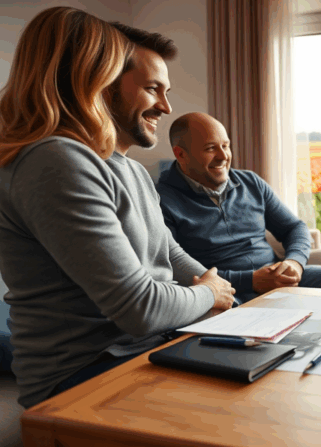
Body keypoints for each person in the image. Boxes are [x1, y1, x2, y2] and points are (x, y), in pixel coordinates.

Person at [0, 9, 234, 408]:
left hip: (143, 349)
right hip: (83, 375)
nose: (165, 106)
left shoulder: (128, 169)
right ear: (98, 82)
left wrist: (223, 294)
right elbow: (138, 307)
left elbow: (166, 250)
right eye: (152, 89)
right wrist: (207, 294)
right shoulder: (55, 161)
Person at [156, 112, 321, 306]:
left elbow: (294, 227)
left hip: (274, 276)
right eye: (210, 148)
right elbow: (174, 267)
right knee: (225, 307)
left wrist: (294, 262)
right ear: (181, 154)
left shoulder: (251, 183)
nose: (223, 156)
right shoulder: (160, 200)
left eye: (225, 146)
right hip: (227, 289)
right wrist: (251, 280)